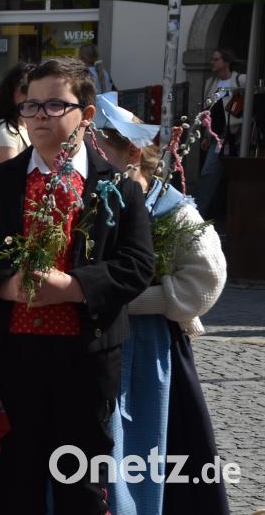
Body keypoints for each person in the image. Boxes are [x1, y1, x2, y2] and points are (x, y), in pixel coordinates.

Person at [0, 58, 154, 514]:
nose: (39, 115)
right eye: (30, 106)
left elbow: (137, 265)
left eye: (52, 105)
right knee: (15, 483)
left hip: (85, 357)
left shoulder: (118, 186)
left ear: (86, 116)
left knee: (81, 484)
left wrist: (73, 285)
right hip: (14, 353)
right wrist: (6, 286)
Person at [93, 95, 229, 515]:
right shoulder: (98, 199)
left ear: (130, 153)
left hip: (153, 350)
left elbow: (204, 284)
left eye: (101, 150)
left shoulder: (173, 211)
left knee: (152, 446)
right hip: (99, 347)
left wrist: (127, 299)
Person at [197, 47, 246, 220]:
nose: (212, 62)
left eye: (216, 59)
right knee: (209, 172)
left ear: (226, 62)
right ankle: (201, 213)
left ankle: (235, 215)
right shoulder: (211, 83)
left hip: (238, 135)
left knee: (237, 174)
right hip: (217, 137)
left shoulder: (240, 80)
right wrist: (206, 135)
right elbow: (208, 110)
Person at [0, 63, 34, 168]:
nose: (30, 94)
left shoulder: (27, 126)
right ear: (10, 91)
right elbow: (10, 177)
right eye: (25, 88)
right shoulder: (4, 130)